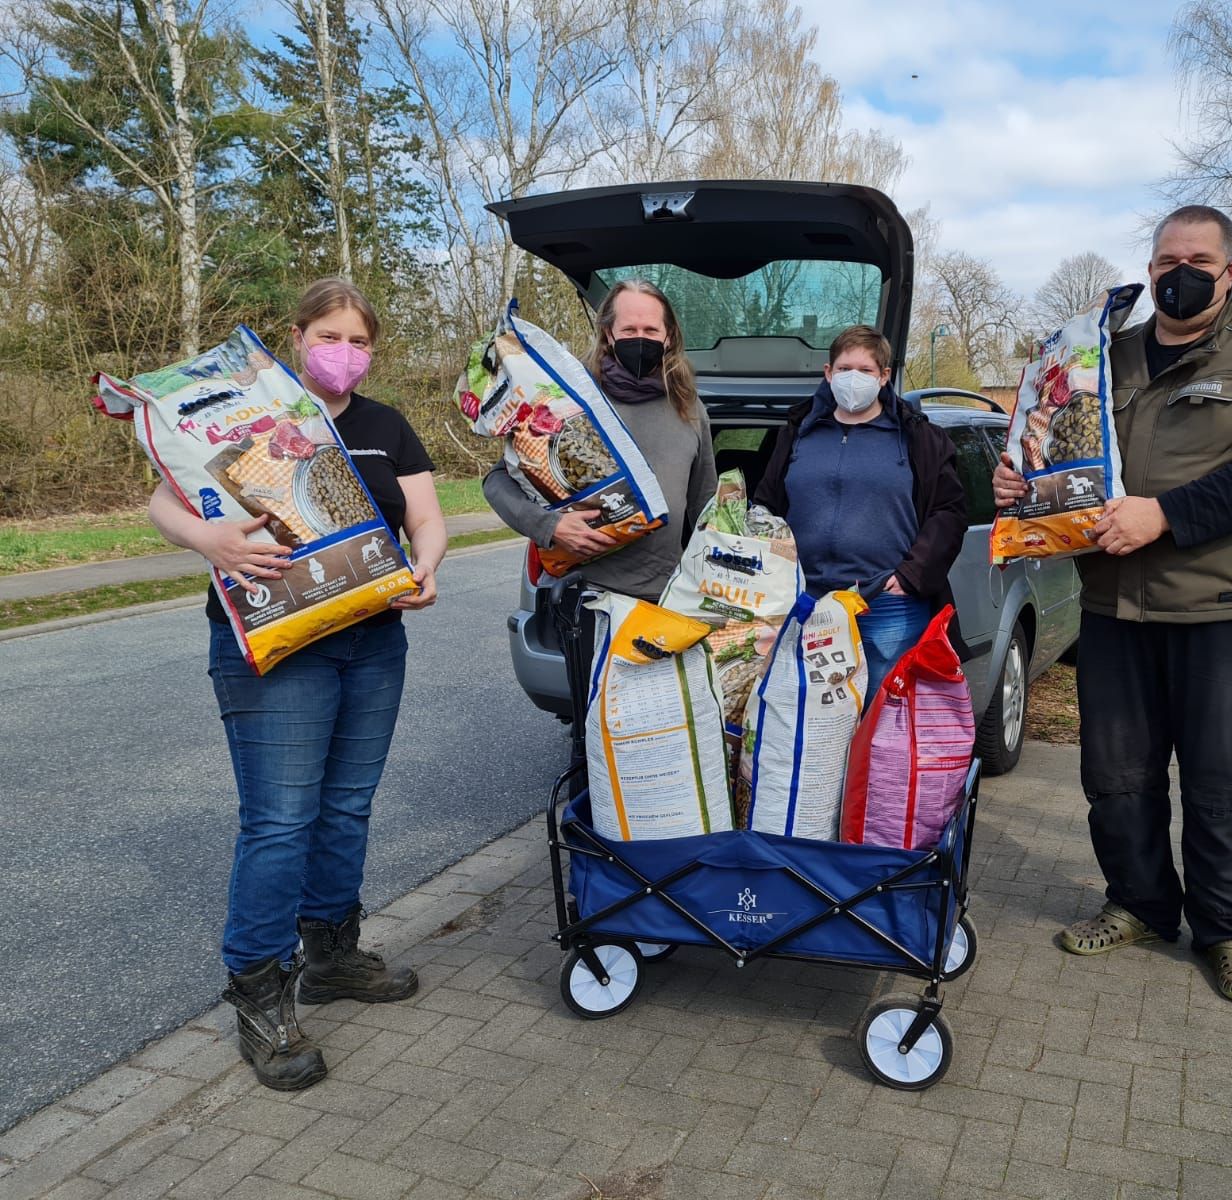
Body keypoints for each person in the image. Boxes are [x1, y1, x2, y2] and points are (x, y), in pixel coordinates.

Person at [993, 206, 1232, 1003]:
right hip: (1115, 609)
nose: (1182, 274)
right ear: (1149, 267)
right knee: (1117, 776)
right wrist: (1020, 484)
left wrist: (1166, 515)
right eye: (1168, 260)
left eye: (1199, 261)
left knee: (1223, 781)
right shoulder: (1105, 359)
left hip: (1224, 607)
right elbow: (1065, 453)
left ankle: (1228, 931)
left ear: (1230, 272)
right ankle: (1139, 904)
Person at [148, 279, 446, 1089]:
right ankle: (258, 995)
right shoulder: (246, 416)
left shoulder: (386, 426)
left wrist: (427, 564)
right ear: (297, 337)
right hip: (277, 646)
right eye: (329, 336)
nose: (344, 352)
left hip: (373, 642)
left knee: (346, 806)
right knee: (281, 821)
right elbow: (161, 501)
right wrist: (208, 538)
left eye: (359, 340)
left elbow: (425, 516)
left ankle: (332, 956)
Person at [753, 324, 966, 698]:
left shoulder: (917, 437)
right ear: (828, 373)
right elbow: (766, 505)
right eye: (845, 368)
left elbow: (949, 511)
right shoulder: (798, 433)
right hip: (802, 601)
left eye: (865, 370)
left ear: (884, 376)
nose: (854, 378)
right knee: (801, 713)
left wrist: (911, 576)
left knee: (880, 717)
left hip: (884, 603)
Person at [482, 279, 717, 602]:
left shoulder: (688, 406)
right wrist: (550, 526)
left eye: (650, 330)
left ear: (669, 337)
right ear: (608, 333)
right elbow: (497, 481)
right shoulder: (572, 398)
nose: (640, 339)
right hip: (582, 595)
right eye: (629, 330)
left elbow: (706, 504)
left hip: (664, 597)